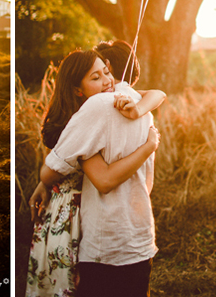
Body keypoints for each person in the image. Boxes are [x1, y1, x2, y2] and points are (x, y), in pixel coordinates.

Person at [26, 48, 164, 297]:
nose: (106, 81)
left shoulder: (102, 105)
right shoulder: (128, 103)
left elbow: (102, 179)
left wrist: (44, 182)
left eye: (107, 72)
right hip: (133, 232)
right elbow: (158, 93)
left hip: (103, 239)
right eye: (95, 77)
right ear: (77, 89)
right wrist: (149, 145)